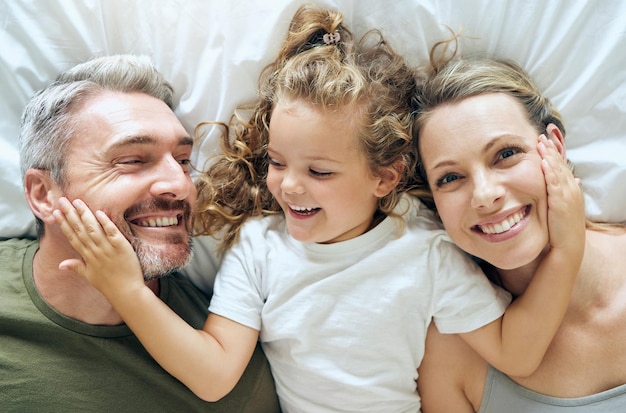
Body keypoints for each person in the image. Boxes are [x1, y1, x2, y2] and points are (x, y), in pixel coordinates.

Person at [53, 5, 584, 413]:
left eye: (321, 172)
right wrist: (126, 289)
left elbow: (516, 354)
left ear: (385, 177)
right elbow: (213, 375)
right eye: (278, 162)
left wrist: (567, 250)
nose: (290, 188)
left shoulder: (426, 250)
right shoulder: (259, 249)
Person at [0, 54, 280, 413]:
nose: (180, 185)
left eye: (182, 161)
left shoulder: (228, 366)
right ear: (43, 194)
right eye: (132, 160)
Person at [412, 49, 626, 412]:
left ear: (555, 147)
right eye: (450, 178)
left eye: (506, 154)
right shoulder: (449, 356)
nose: (485, 195)